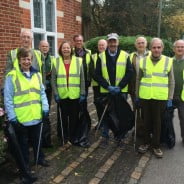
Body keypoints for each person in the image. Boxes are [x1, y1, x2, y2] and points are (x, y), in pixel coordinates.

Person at [4, 48, 49, 184]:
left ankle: (39, 158)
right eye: (23, 59)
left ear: (32, 60)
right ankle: (26, 169)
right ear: (19, 60)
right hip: (21, 119)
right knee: (23, 145)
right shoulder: (12, 76)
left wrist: (45, 107)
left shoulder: (37, 75)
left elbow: (42, 93)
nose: (26, 61)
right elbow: (8, 98)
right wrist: (12, 117)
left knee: (37, 140)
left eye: (28, 59)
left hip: (36, 115)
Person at [136, 38, 175, 158]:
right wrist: (137, 95)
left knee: (158, 123)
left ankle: (156, 146)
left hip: (160, 98)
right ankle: (146, 143)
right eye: (154, 47)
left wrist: (170, 98)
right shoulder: (143, 61)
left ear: (162, 48)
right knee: (146, 121)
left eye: (159, 47)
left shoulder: (168, 61)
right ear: (150, 48)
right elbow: (138, 79)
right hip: (146, 96)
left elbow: (171, 81)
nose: (156, 49)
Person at [95, 33, 133, 147]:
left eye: (114, 41)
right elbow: (97, 75)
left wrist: (120, 86)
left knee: (120, 115)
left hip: (120, 92)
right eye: (110, 41)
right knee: (106, 115)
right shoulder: (101, 56)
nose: (112, 44)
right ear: (107, 43)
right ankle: (105, 137)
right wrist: (107, 86)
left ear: (118, 42)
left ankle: (120, 137)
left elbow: (129, 72)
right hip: (106, 91)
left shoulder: (125, 55)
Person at [51, 41, 86, 146]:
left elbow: (82, 78)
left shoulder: (78, 61)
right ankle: (63, 136)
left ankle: (73, 136)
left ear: (71, 50)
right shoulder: (56, 62)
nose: (66, 50)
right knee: (63, 117)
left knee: (74, 118)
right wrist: (56, 94)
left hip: (74, 95)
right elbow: (53, 79)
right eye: (64, 48)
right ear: (61, 50)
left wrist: (83, 92)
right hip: (62, 96)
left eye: (68, 48)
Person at [129, 36, 150, 137]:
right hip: (134, 88)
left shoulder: (151, 55)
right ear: (135, 45)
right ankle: (138, 129)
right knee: (136, 110)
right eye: (139, 43)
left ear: (146, 44)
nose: (141, 45)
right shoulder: (131, 56)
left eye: (142, 43)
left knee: (147, 111)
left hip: (148, 88)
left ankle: (148, 130)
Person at [91, 39, 109, 139]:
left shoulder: (108, 56)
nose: (101, 47)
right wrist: (98, 79)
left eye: (103, 45)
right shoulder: (93, 57)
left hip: (106, 86)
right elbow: (92, 71)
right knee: (98, 105)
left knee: (107, 106)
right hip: (97, 86)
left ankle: (108, 124)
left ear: (106, 46)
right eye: (100, 45)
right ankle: (100, 122)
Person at [39, 40, 55, 148]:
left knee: (46, 112)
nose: (45, 48)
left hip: (48, 89)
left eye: (46, 46)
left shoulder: (52, 58)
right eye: (43, 46)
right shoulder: (36, 57)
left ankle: (46, 139)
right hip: (38, 89)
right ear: (39, 47)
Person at [172, 39, 184, 144]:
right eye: (178, 47)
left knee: (183, 119)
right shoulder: (168, 61)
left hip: (182, 97)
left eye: (182, 47)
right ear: (174, 49)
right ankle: (168, 138)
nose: (180, 49)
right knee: (166, 119)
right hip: (169, 96)